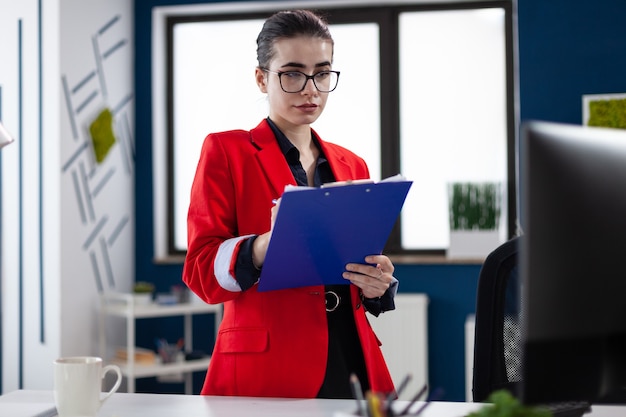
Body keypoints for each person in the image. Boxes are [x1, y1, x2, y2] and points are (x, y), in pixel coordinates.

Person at [182, 9, 399, 399]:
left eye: (322, 73)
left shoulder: (353, 164)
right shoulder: (226, 151)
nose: (310, 89)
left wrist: (376, 284)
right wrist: (265, 244)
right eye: (293, 73)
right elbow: (199, 270)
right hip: (268, 364)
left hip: (351, 357)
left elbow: (356, 267)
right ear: (262, 78)